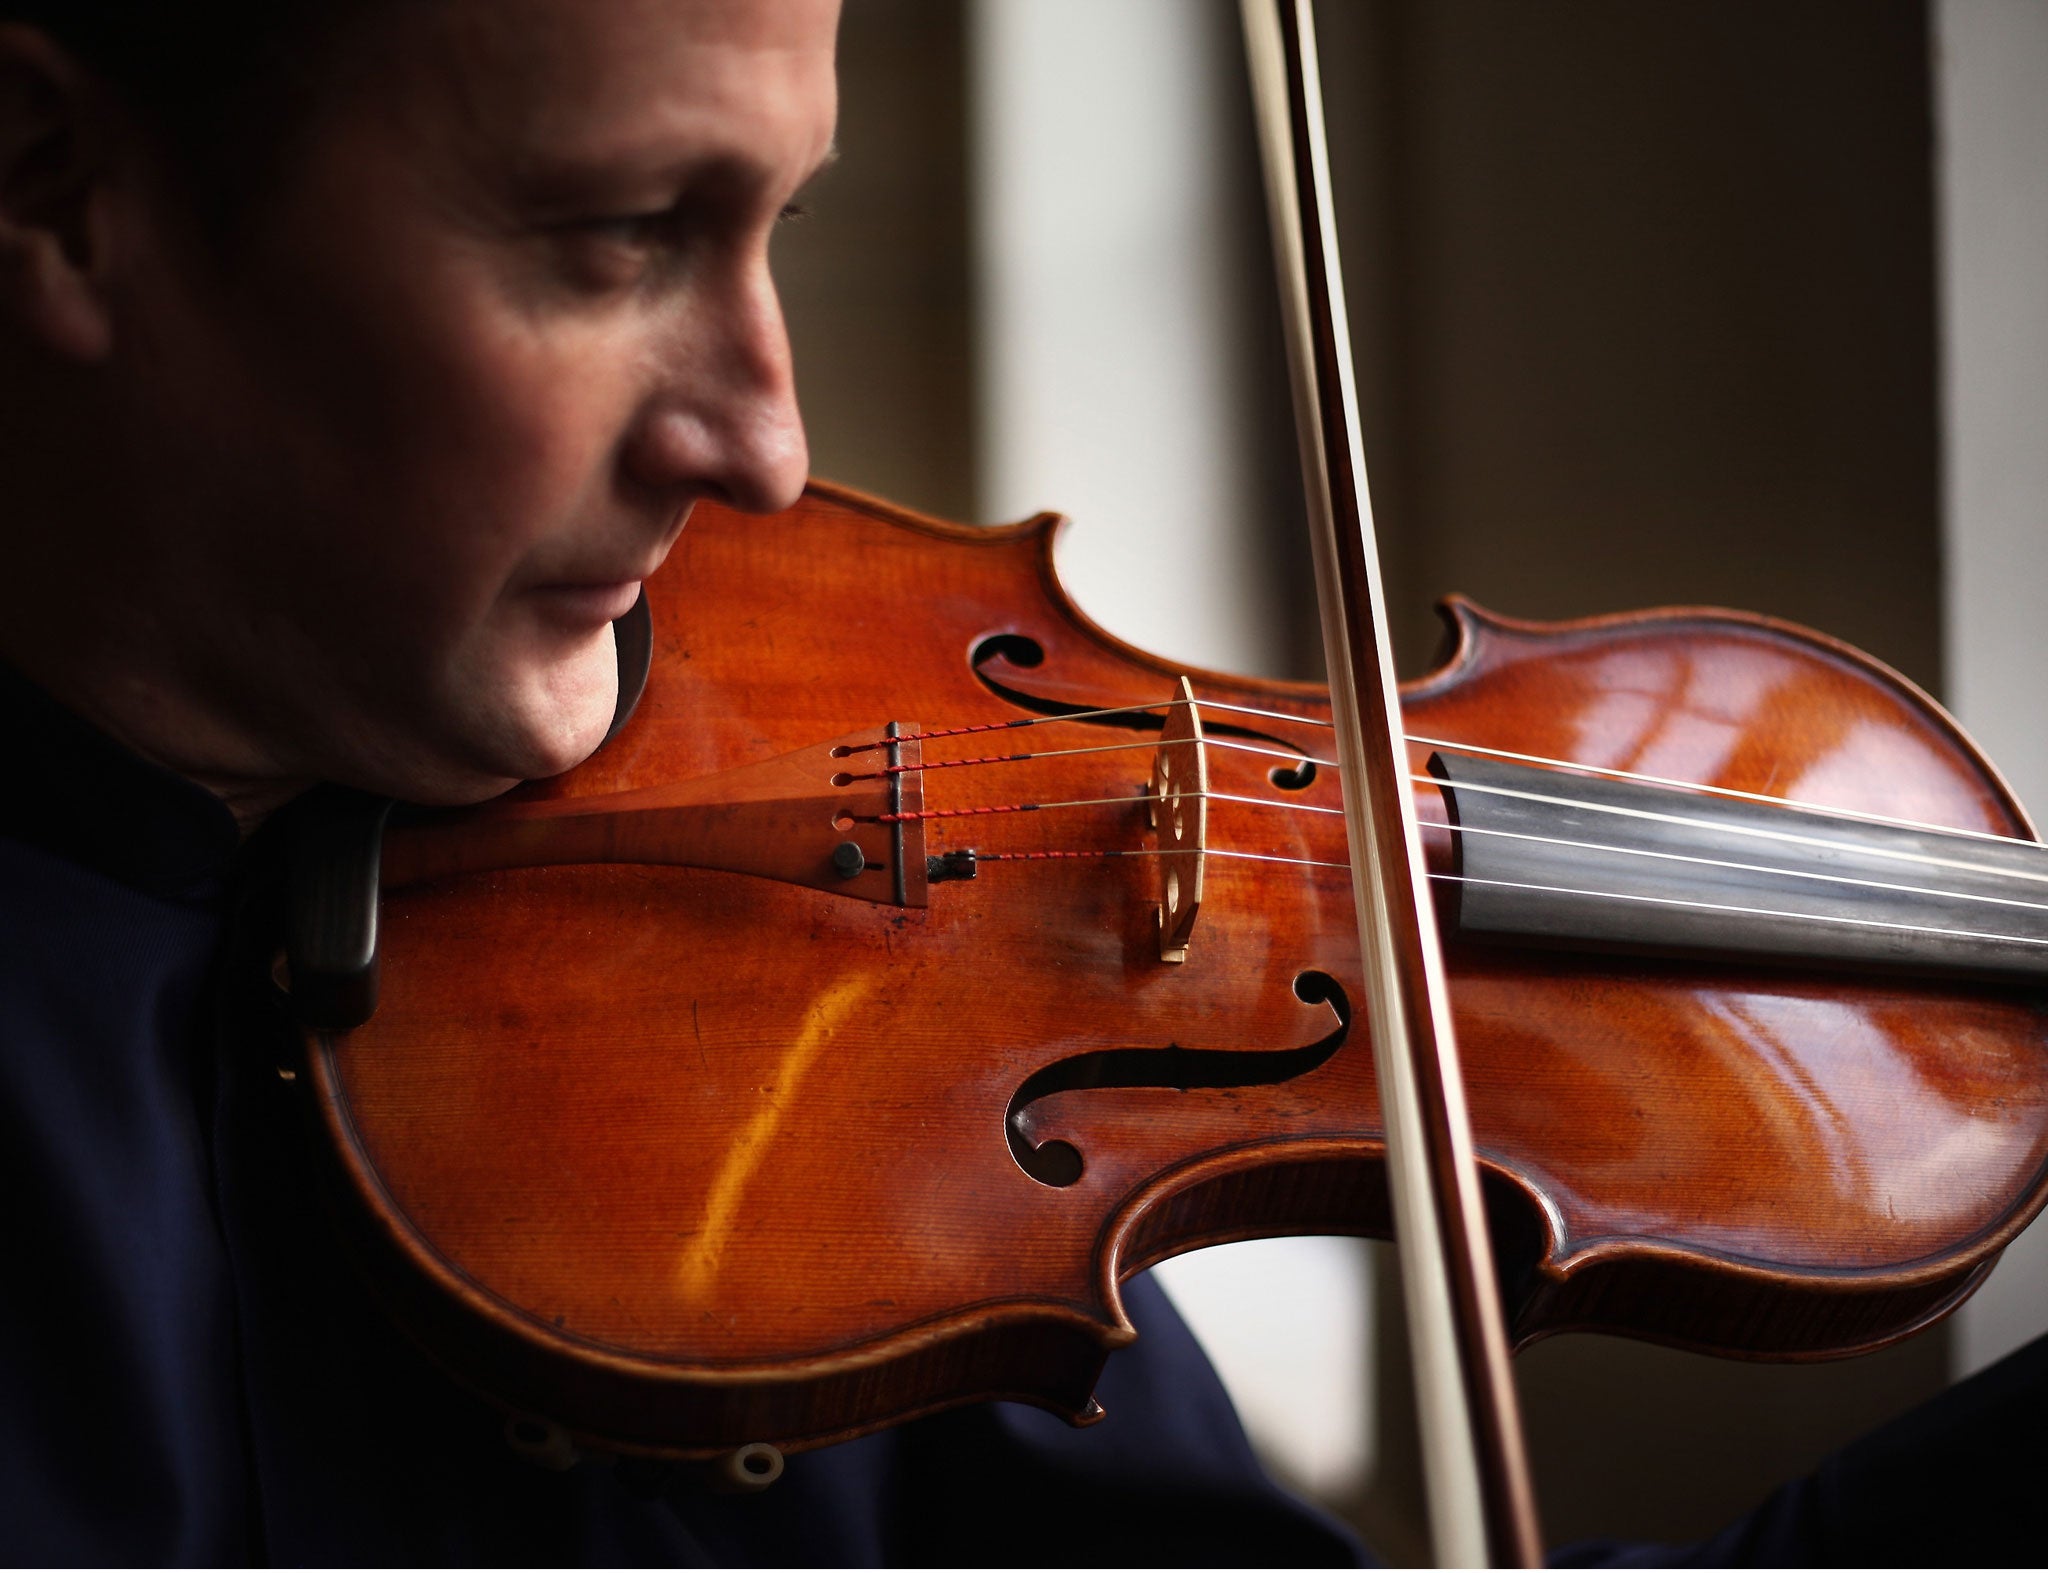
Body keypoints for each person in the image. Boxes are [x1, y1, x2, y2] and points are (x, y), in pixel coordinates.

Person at [1, 0, 2043, 1565]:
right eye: (621, 239)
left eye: (773, 224)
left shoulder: (857, 1006)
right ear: (52, 186)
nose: (765, 442)